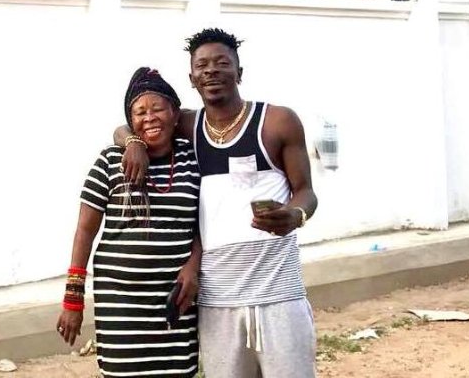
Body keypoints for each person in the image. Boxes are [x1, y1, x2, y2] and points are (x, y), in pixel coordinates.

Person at [115, 29, 318, 377]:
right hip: (218, 301)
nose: (211, 70)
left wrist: (295, 214)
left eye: (222, 63)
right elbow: (128, 126)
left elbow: (306, 192)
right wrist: (133, 143)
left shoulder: (277, 122)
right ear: (192, 78)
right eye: (202, 65)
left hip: (278, 296)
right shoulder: (189, 126)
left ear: (240, 72)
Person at [56, 67, 202, 377]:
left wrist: (193, 266)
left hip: (175, 300)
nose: (149, 117)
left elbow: (205, 224)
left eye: (158, 108)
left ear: (175, 114)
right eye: (140, 112)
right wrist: (73, 299)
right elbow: (85, 231)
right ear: (130, 121)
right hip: (121, 303)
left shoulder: (193, 159)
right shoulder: (110, 160)